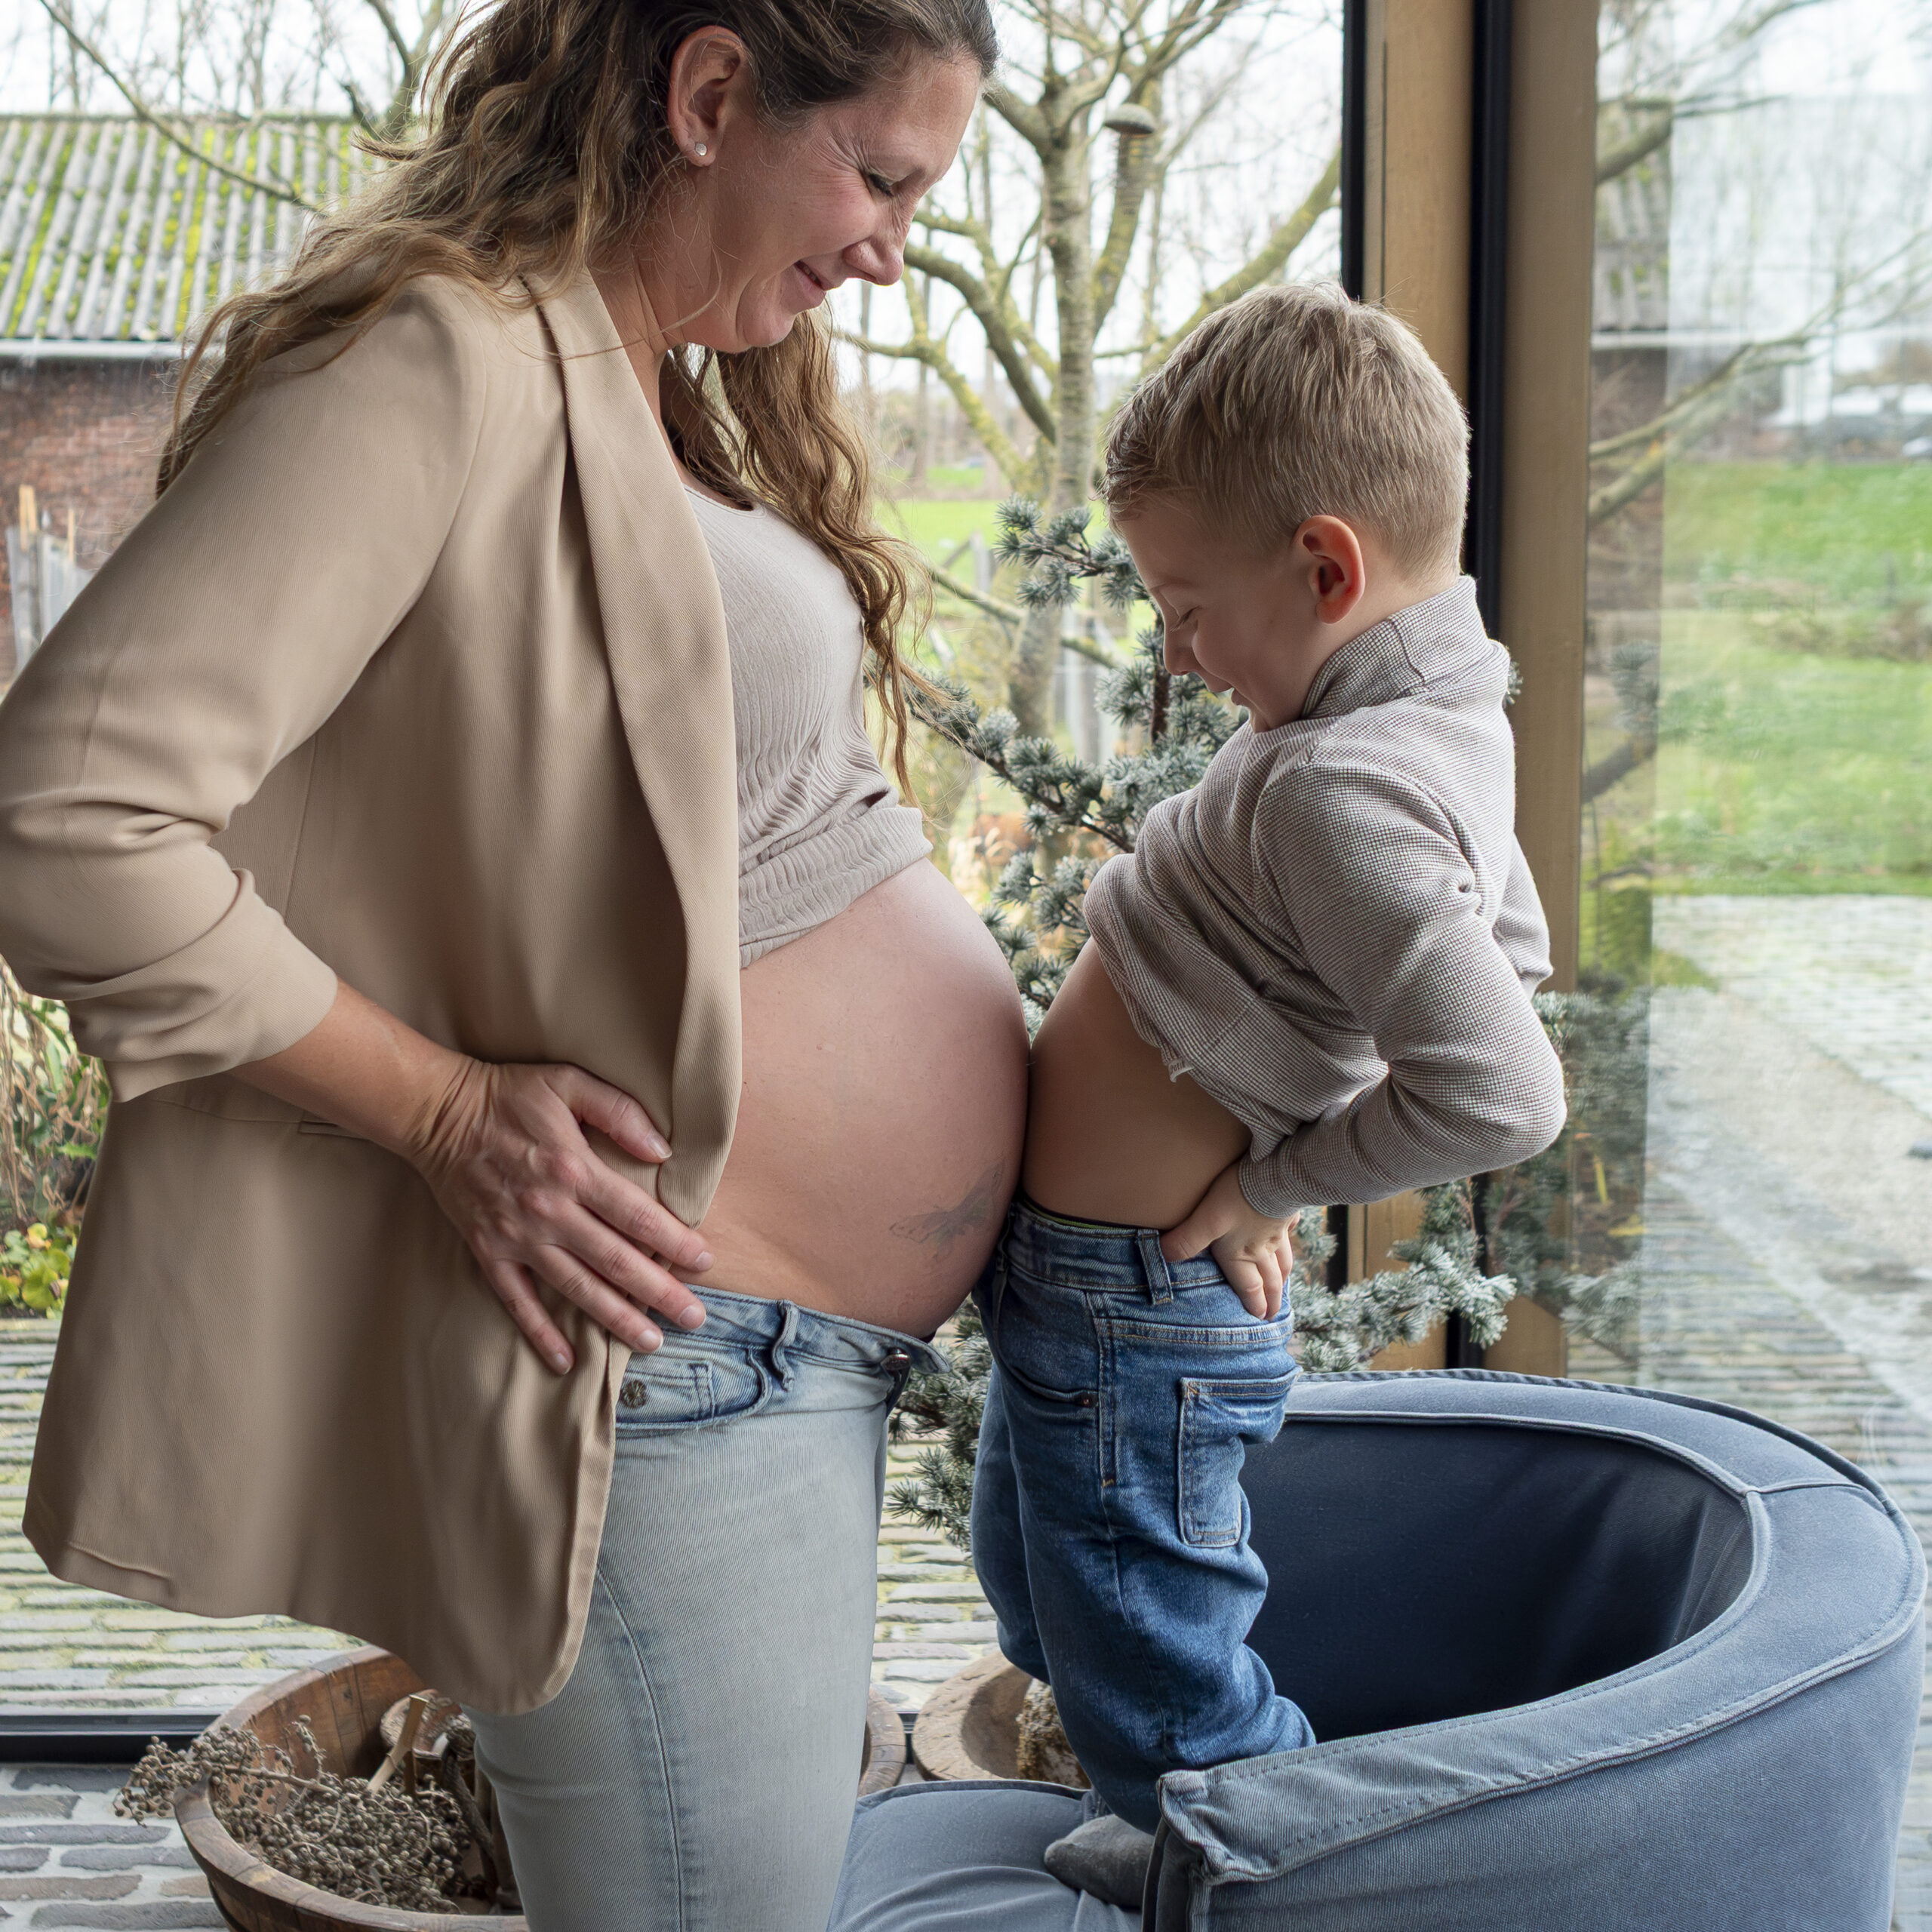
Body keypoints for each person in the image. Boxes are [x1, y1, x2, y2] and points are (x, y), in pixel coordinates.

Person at [0, 5, 1024, 1927]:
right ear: (709, 94)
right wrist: (450, 1112)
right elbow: (65, 816)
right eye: (878, 177)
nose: (892, 248)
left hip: (769, 1363)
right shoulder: (443, 359)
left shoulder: (649, 377)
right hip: (659, 1352)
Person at [969, 281, 1568, 1899]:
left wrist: (1269, 1179)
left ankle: (1282, 1877)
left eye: (1185, 604)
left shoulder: (1345, 782)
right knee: (1050, 1593)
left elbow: (1504, 1093)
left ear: (1324, 569)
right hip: (1094, 1294)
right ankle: (1185, 1811)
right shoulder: (1429, 715)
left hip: (1135, 1300)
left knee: (1163, 1681)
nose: (1172, 648)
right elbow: (1509, 947)